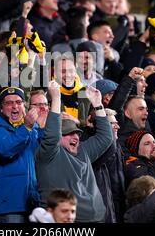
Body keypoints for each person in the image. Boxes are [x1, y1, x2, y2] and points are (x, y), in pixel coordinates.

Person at [36, 81, 113, 223]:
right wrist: (57, 99)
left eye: (77, 133)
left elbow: (106, 137)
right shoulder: (49, 154)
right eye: (68, 133)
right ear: (59, 137)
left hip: (98, 220)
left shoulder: (83, 150)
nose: (75, 137)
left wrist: (98, 104)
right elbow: (52, 136)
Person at [0, 87, 43, 223]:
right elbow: (4, 150)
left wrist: (44, 127)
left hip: (33, 201)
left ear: (24, 106)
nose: (14, 106)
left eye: (18, 102)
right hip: (9, 204)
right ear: (1, 108)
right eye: (9, 103)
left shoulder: (32, 127)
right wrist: (27, 127)